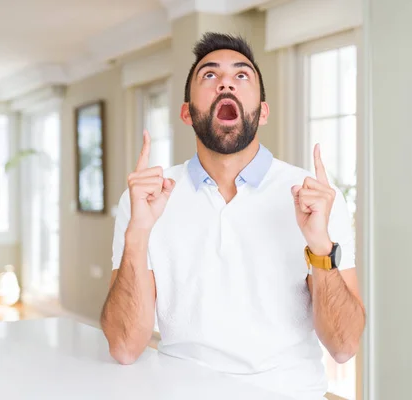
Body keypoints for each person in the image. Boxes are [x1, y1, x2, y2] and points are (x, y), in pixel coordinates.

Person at [100, 32, 366, 399]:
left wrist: (320, 245)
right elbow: (125, 347)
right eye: (209, 75)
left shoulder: (314, 198)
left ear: (263, 111)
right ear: (187, 112)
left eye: (242, 76)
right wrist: (138, 232)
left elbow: (344, 345)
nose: (226, 81)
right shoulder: (146, 201)